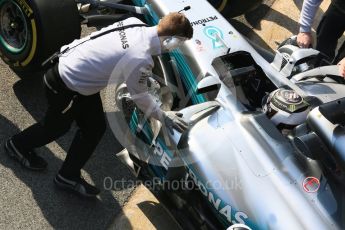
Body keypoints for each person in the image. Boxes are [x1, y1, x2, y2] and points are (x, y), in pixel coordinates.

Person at [4, 12, 193, 198]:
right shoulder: (141, 57)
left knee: (94, 127)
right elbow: (140, 96)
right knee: (56, 127)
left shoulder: (135, 23)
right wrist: (163, 115)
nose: (177, 47)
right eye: (180, 42)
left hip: (70, 69)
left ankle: (67, 176)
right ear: (171, 40)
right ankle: (16, 145)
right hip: (67, 84)